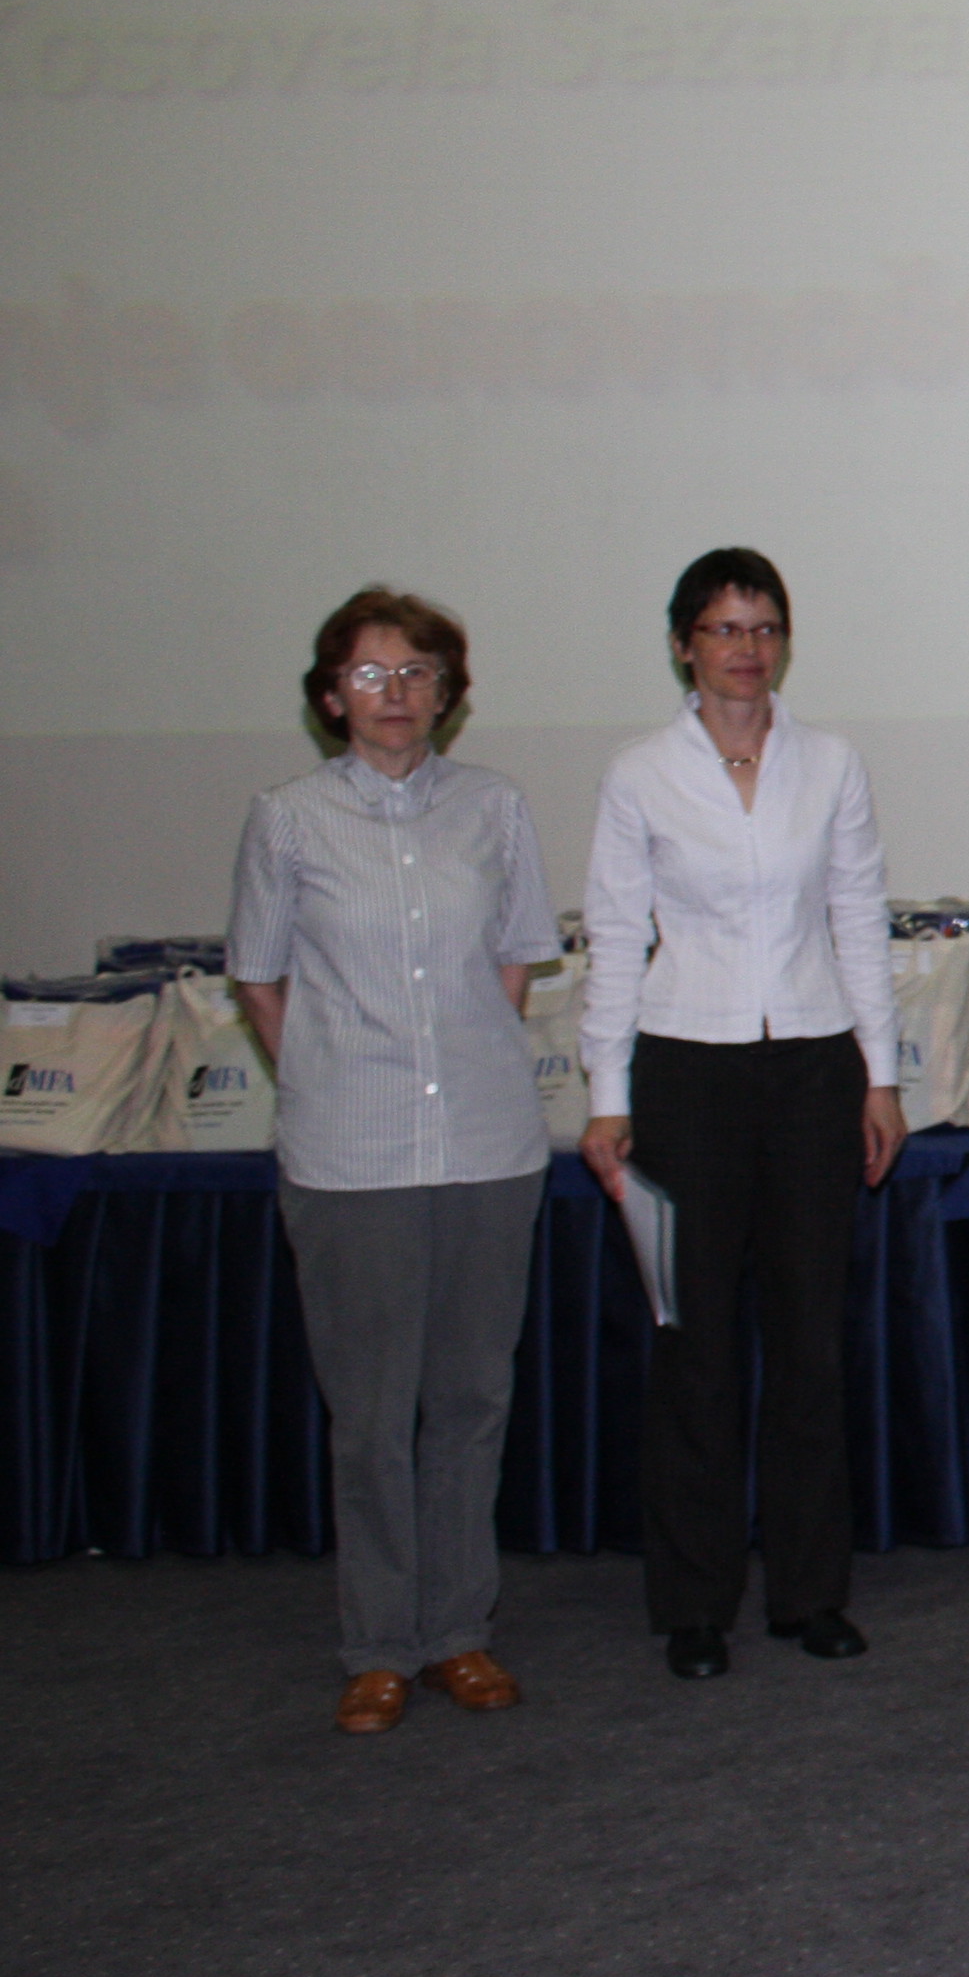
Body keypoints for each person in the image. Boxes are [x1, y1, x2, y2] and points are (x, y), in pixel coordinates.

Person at [227, 588, 563, 1735]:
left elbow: (515, 961)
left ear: (447, 695)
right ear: (332, 696)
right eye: (371, 674)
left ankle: (458, 1633)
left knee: (470, 1401)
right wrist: (329, 1077)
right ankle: (378, 1646)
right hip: (350, 1157)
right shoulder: (288, 821)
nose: (396, 694)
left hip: (485, 1146)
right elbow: (259, 978)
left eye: (419, 673)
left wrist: (460, 1060)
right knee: (371, 1417)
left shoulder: (494, 808)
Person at [578, 549, 908, 1680]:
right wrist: (607, 1098)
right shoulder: (640, 773)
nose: (746, 649)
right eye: (724, 629)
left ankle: (810, 1593)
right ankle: (695, 1604)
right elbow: (614, 937)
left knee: (810, 1345)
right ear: (685, 645)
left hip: (813, 1069)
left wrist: (880, 1076)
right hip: (684, 1074)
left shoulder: (830, 762)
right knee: (695, 1348)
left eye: (764, 628)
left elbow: (858, 917)